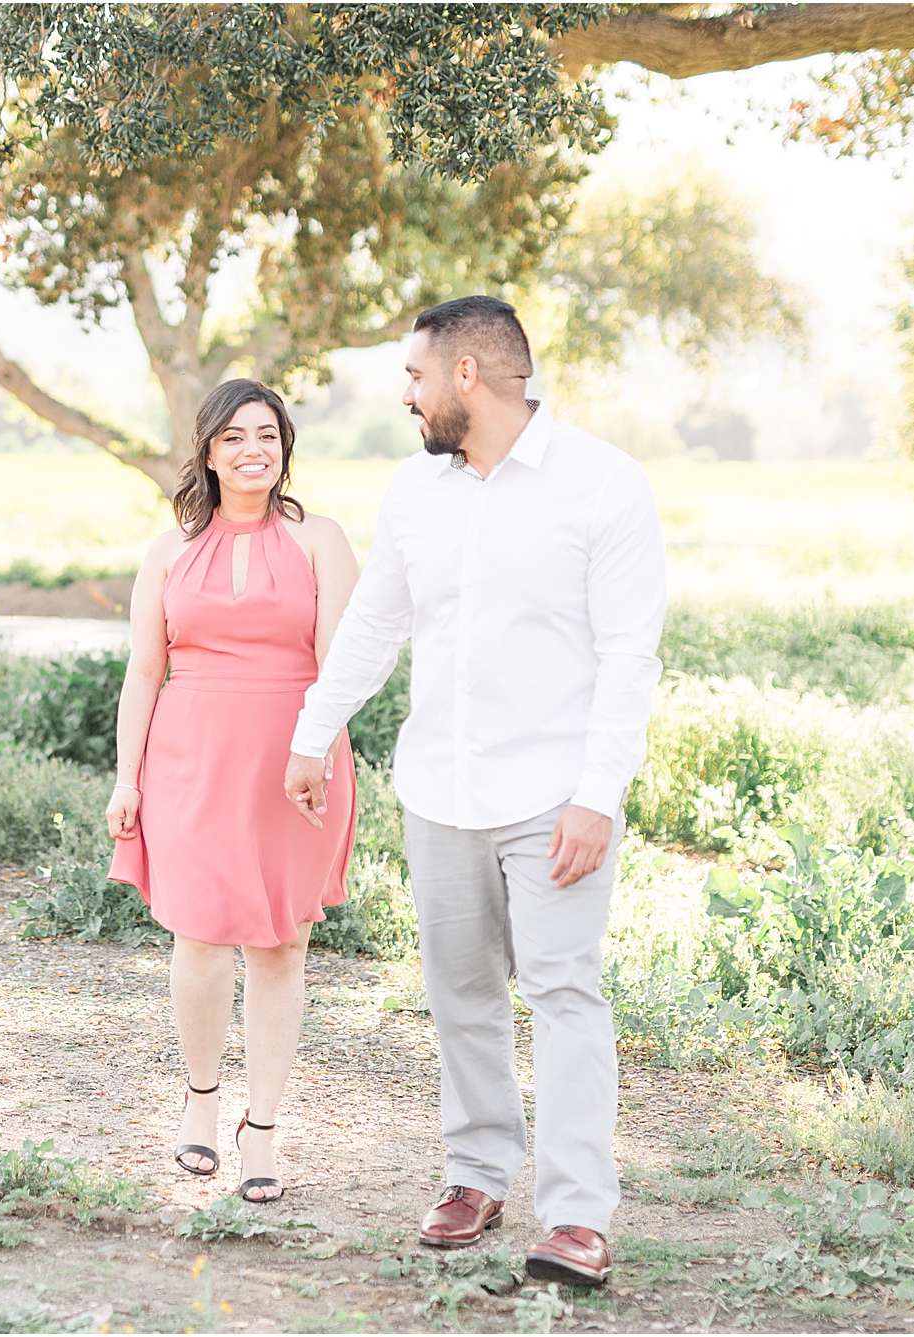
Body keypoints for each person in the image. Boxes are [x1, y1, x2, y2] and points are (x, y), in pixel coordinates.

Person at [283, 296, 666, 1285]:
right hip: (438, 786)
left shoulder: (601, 484)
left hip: (554, 792)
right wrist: (312, 734)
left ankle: (576, 1214)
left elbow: (628, 655)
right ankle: (475, 1170)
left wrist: (598, 793)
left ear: (465, 376)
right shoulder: (415, 491)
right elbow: (372, 624)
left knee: (563, 992)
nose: (403, 396)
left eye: (413, 376)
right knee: (458, 994)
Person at [106, 378, 361, 1204]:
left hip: (298, 761)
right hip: (191, 761)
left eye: (269, 435)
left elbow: (342, 666)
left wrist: (311, 748)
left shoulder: (321, 539)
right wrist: (125, 777)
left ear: (286, 446)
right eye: (235, 438)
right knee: (203, 937)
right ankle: (201, 1100)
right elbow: (145, 671)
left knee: (281, 944)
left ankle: (264, 1127)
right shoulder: (169, 551)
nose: (254, 450)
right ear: (208, 452)